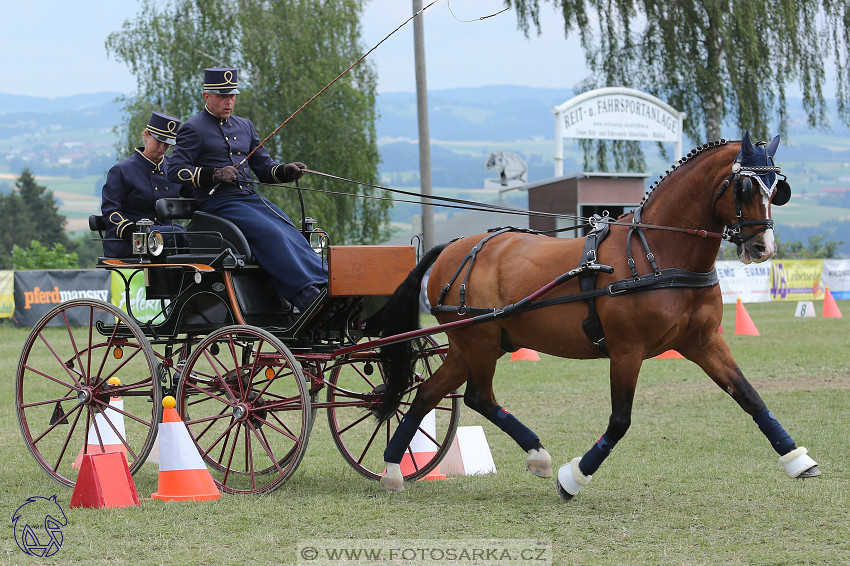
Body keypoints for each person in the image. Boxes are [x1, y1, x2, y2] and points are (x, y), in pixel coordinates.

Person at [168, 67, 327, 311]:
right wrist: (214, 174)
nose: (228, 101)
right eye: (222, 96)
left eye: (232, 96)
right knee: (271, 234)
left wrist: (286, 170)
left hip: (250, 199)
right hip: (219, 203)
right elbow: (175, 170)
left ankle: (325, 284)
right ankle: (305, 296)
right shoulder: (194, 128)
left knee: (288, 230)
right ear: (206, 96)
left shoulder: (244, 126)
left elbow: (265, 168)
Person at [101, 112, 190, 257]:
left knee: (195, 238)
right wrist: (133, 233)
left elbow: (195, 195)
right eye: (158, 141)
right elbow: (111, 211)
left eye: (167, 144)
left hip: (166, 242)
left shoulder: (174, 169)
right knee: (177, 233)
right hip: (132, 243)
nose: (162, 148)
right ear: (147, 134)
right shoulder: (122, 171)